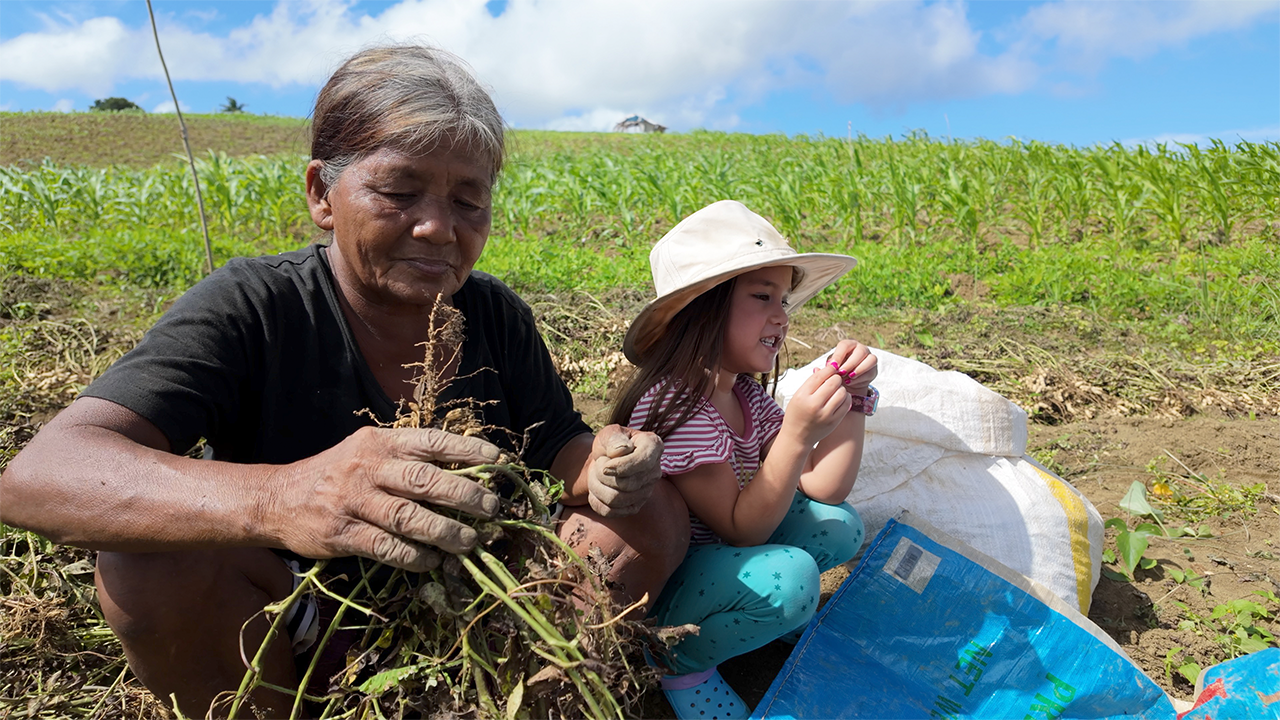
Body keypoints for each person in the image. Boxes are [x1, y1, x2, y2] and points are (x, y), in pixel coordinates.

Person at [0, 45, 688, 718]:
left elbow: (559, 443)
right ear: (322, 194)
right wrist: (284, 497)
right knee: (146, 563)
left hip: (474, 606)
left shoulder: (494, 315)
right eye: (398, 191)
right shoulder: (254, 306)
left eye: (469, 201)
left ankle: (533, 695)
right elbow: (40, 476)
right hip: (293, 619)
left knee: (651, 510)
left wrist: (606, 462)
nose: (437, 227)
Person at [610, 200, 878, 720]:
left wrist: (854, 401)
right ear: (702, 310)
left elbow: (826, 487)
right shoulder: (677, 405)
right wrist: (799, 433)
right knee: (792, 575)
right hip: (666, 592)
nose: (782, 315)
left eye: (784, 299)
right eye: (762, 297)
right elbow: (742, 530)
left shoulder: (747, 398)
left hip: (720, 564)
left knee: (840, 525)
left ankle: (758, 620)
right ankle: (676, 660)